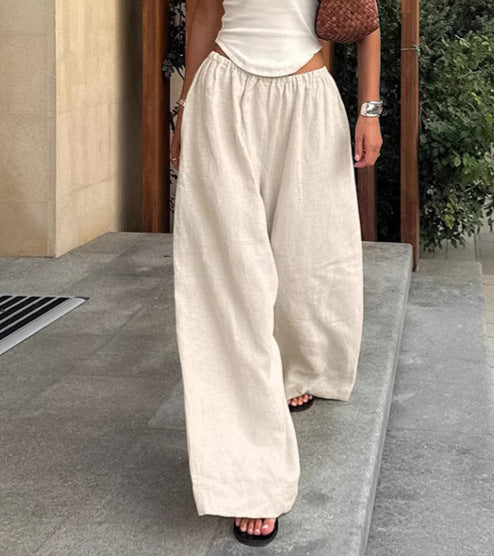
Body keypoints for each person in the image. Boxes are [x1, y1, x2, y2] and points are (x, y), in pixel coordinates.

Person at [170, 0, 382, 547]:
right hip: (222, 98)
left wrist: (370, 111)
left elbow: (366, 21)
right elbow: (203, 17)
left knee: (308, 267)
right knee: (226, 288)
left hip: (308, 102)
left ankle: (299, 365)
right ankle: (250, 478)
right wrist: (186, 107)